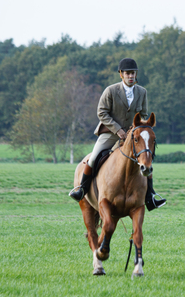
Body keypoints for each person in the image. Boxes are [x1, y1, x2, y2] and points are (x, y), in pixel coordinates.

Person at [69, 58, 166, 211]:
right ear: (121, 74)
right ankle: (81, 189)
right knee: (94, 158)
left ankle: (151, 197)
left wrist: (137, 130)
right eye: (127, 73)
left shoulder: (142, 92)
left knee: (145, 160)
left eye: (133, 73)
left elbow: (143, 115)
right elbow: (101, 112)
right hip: (111, 133)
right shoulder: (111, 90)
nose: (131, 76)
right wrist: (118, 129)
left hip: (133, 136)